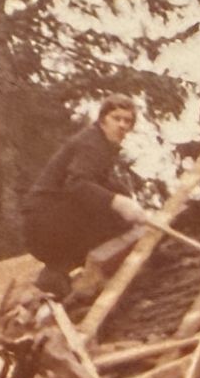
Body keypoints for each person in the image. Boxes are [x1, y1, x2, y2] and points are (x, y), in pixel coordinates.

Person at [21, 95, 148, 296]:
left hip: (43, 224)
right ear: (102, 119)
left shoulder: (101, 145)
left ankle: (56, 274)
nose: (122, 125)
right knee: (118, 221)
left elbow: (101, 183)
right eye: (117, 118)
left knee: (117, 203)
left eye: (128, 121)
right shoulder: (92, 144)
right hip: (45, 223)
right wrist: (120, 203)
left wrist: (125, 197)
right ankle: (99, 276)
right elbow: (77, 184)